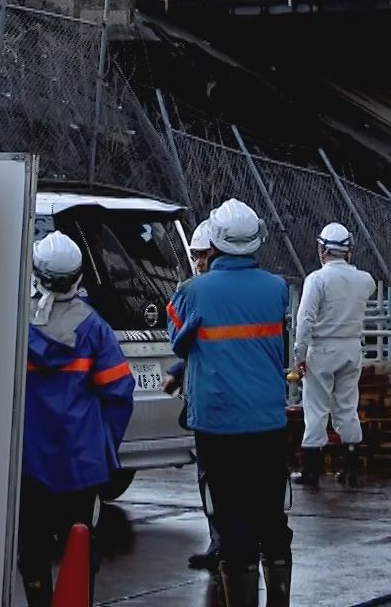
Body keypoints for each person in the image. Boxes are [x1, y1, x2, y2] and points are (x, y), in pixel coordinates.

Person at [167, 199, 293, 607]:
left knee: (231, 524)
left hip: (218, 425)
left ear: (215, 241)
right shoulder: (276, 288)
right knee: (273, 520)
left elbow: (177, 339)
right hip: (267, 422)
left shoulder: (193, 291)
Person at [19, 232, 135, 607]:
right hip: (80, 462)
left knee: (32, 548)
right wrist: (103, 447)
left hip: (27, 460)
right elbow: (118, 394)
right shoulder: (94, 329)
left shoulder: (15, 322)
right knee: (79, 547)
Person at [292, 222, 377, 489]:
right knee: (347, 407)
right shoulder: (365, 280)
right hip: (351, 347)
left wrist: (299, 355)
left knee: (316, 409)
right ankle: (350, 466)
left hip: (322, 348)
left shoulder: (316, 280)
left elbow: (305, 319)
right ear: (349, 250)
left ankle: (311, 470)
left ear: (322, 249)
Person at [162, 221, 222, 572]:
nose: (198, 262)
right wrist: (178, 372)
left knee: (213, 476)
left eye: (201, 255)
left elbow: (183, 337)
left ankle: (222, 543)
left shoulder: (193, 292)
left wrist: (177, 371)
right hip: (251, 404)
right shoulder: (263, 290)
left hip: (213, 405)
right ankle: (241, 541)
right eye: (196, 256)